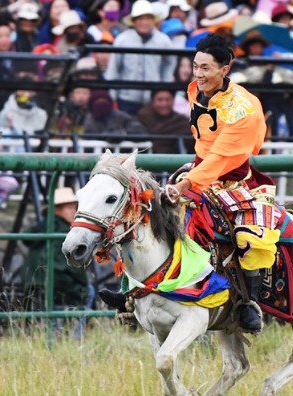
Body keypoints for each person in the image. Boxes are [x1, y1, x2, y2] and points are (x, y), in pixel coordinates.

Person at [100, 34, 280, 333]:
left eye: (206, 68)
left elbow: (223, 157)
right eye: (195, 66)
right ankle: (132, 292)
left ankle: (249, 303)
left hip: (234, 182)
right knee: (145, 214)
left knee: (250, 235)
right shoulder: (195, 89)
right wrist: (185, 181)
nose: (198, 73)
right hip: (196, 172)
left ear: (225, 68)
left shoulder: (243, 108)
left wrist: (185, 185)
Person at [22, 187, 90, 310]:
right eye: (69, 208)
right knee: (88, 292)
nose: (74, 212)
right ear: (57, 210)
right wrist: (84, 283)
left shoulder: (42, 229)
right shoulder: (64, 232)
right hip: (56, 284)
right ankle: (83, 325)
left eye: (75, 208)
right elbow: (70, 266)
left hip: (32, 283)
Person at [105, 0, 176, 115]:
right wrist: (113, 95)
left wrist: (163, 85)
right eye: (140, 18)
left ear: (153, 20)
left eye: (148, 18)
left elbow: (170, 63)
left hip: (153, 99)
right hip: (126, 98)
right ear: (134, 21)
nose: (144, 22)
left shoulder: (164, 41)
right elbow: (114, 68)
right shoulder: (122, 40)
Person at [136, 89, 191, 153]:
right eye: (160, 100)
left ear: (173, 101)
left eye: (167, 100)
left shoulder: (180, 120)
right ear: (152, 101)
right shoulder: (143, 115)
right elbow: (154, 131)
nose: (164, 104)